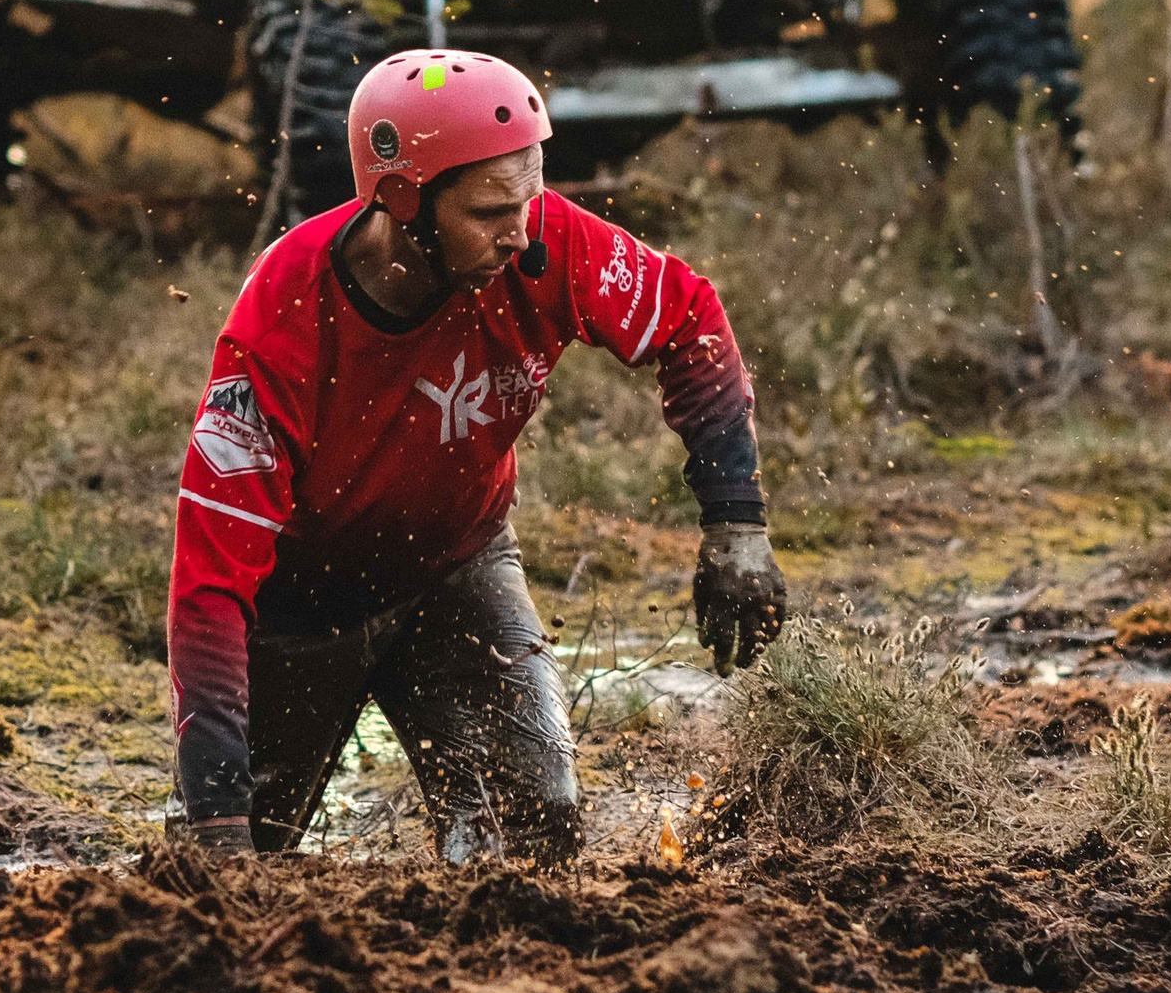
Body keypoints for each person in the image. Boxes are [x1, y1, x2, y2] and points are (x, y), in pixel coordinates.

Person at [167, 48, 788, 862]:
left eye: (530, 197)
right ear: (401, 201)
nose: (522, 232)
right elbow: (208, 589)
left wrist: (736, 525)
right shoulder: (282, 318)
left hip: (455, 570)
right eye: (492, 211)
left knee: (532, 837)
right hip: (296, 609)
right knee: (215, 873)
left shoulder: (544, 239)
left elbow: (690, 320)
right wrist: (217, 822)